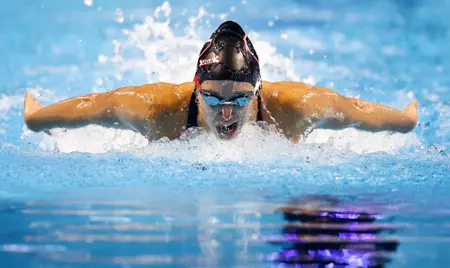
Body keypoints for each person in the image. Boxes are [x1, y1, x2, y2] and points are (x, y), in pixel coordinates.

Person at [23, 21, 418, 143]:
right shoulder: (160, 110)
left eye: (242, 99)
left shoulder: (294, 109)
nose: (227, 112)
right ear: (196, 88)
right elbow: (98, 105)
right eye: (212, 99)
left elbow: (354, 112)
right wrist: (36, 117)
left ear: (259, 91)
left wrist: (406, 118)